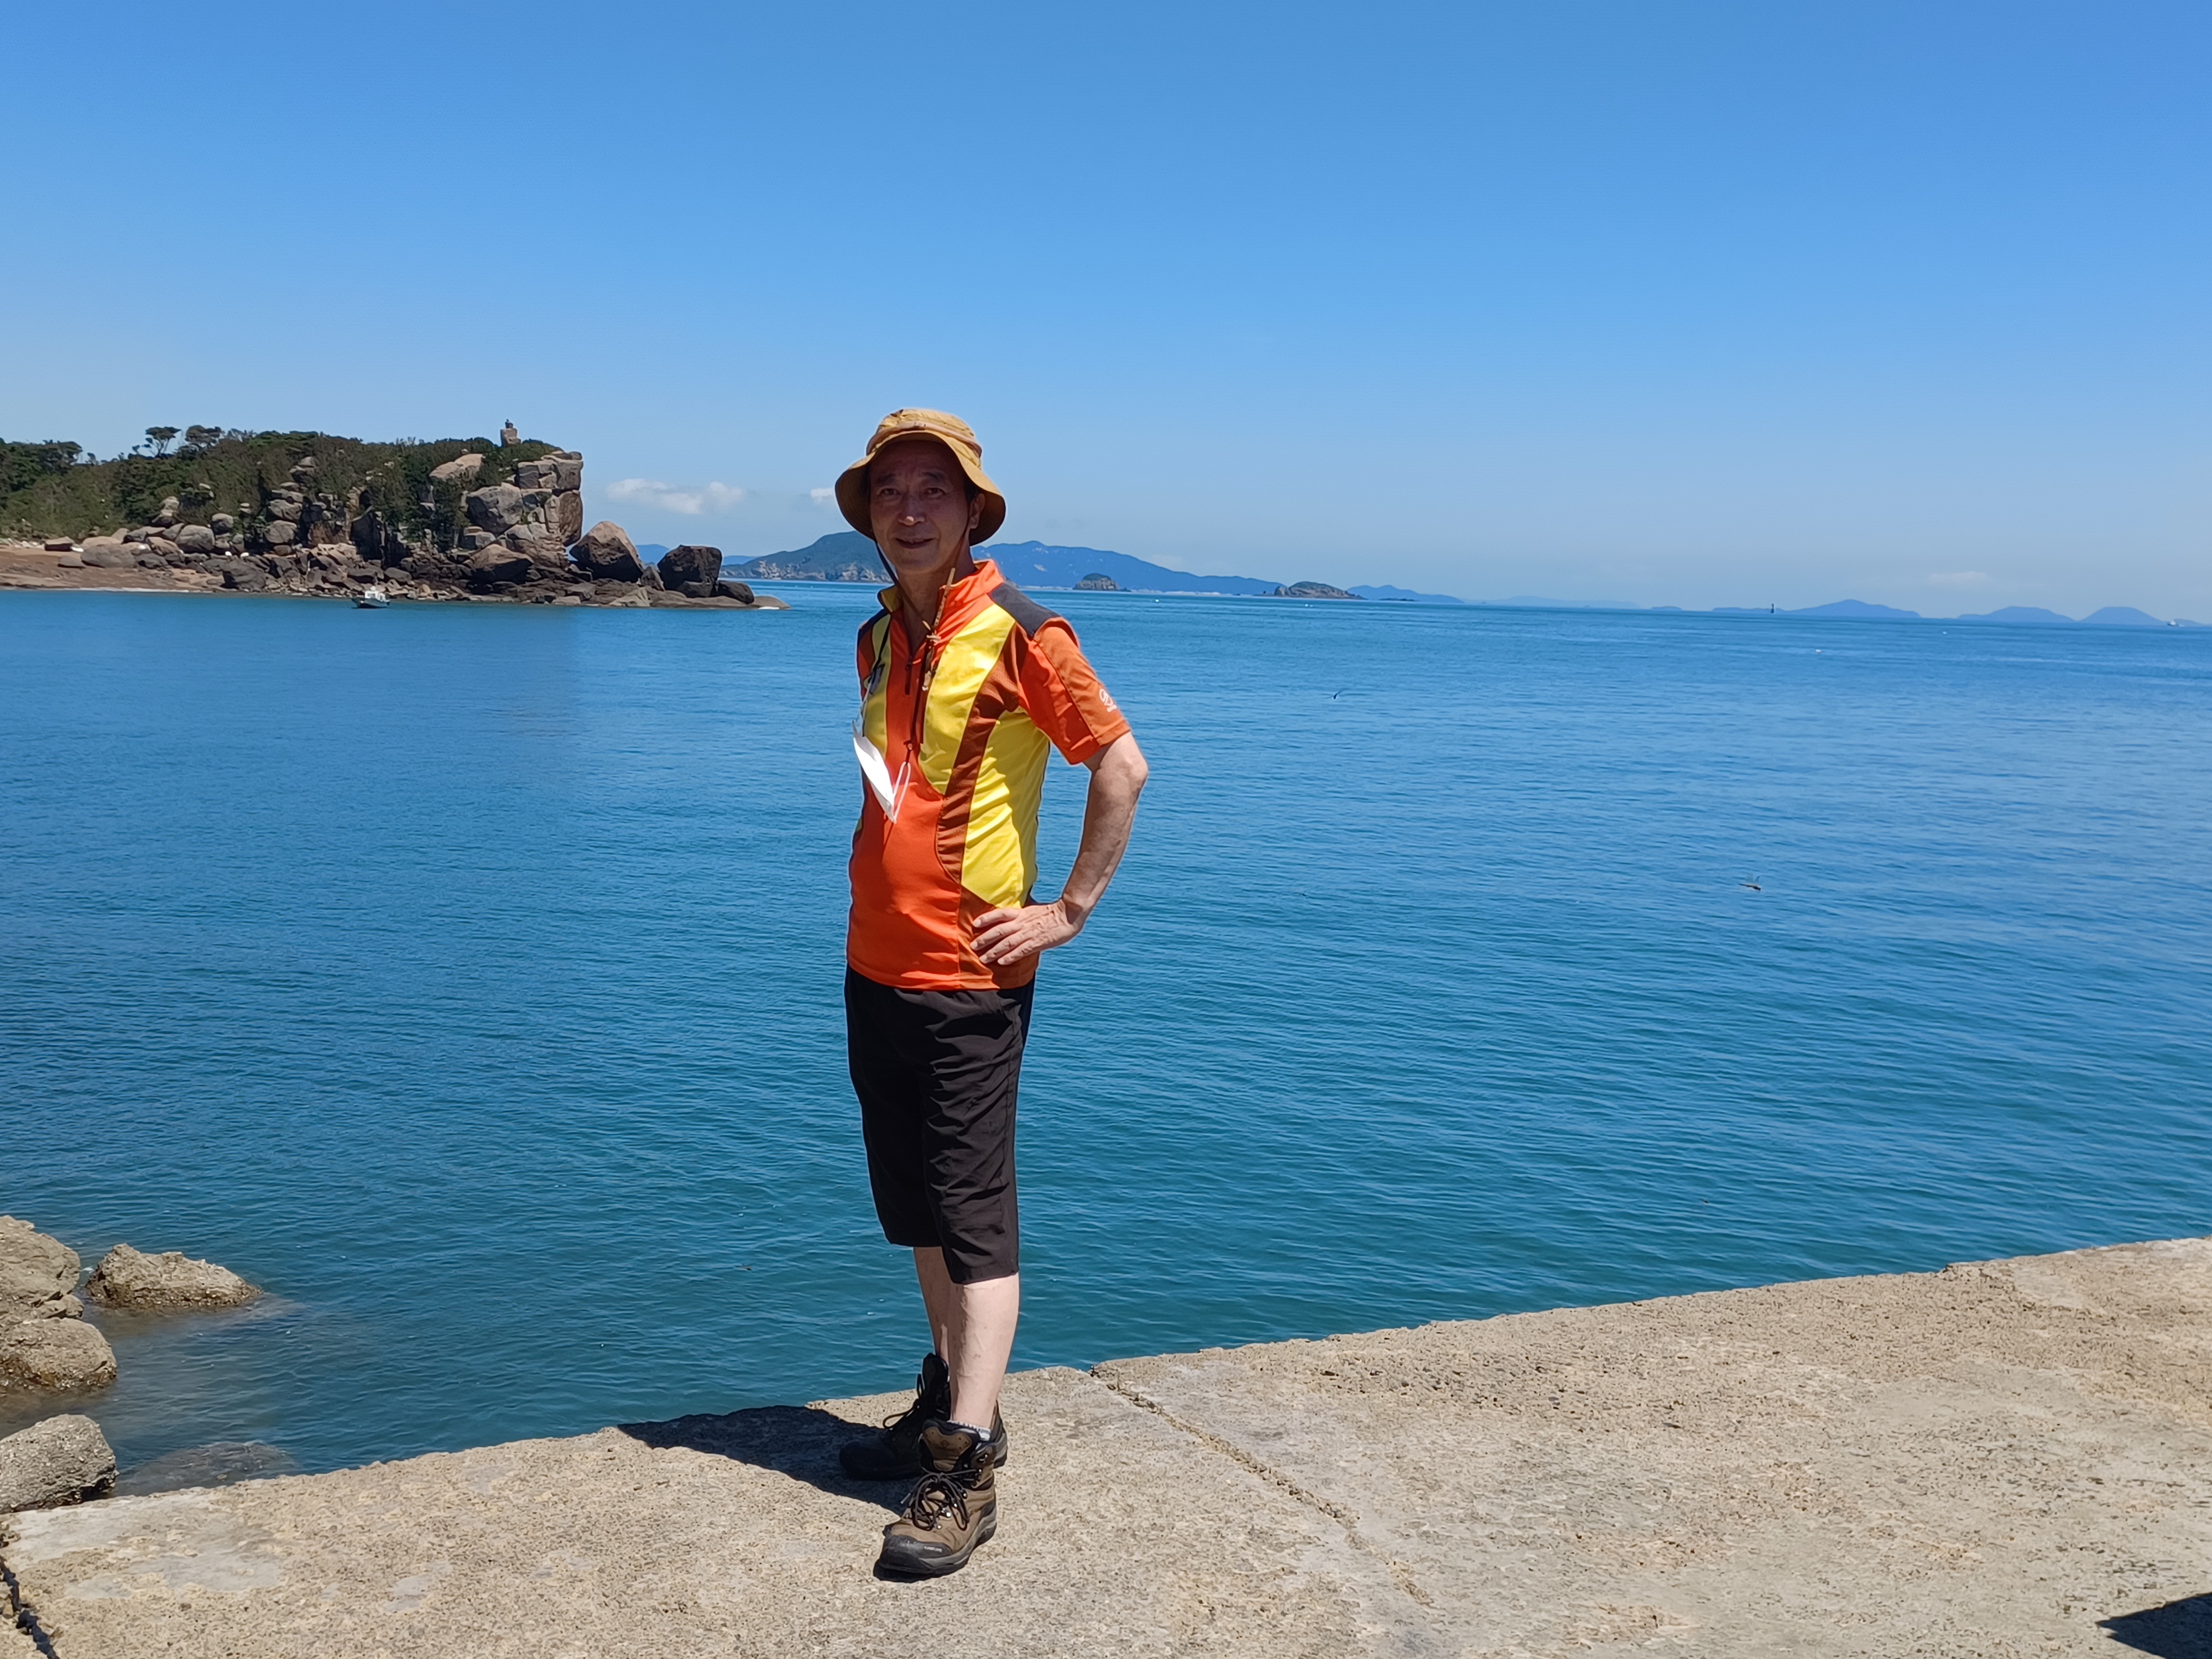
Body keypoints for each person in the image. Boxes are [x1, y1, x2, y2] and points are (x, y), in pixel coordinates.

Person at [832, 409, 1148, 1576]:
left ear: (972, 512)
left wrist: (1067, 911)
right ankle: (949, 1402)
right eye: (891, 491)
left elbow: (1120, 765)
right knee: (915, 1206)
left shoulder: (1022, 631)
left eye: (934, 490)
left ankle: (963, 1470)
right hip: (875, 964)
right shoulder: (877, 637)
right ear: (870, 514)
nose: (909, 510)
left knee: (971, 1215)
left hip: (971, 978)